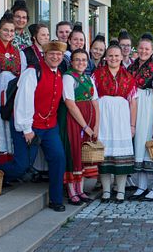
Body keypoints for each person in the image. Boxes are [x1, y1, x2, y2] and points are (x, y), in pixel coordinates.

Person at [12, 40, 68, 211]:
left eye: (59, 54)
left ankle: (56, 200)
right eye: (52, 54)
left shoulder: (59, 74)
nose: (55, 57)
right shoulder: (32, 72)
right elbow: (23, 101)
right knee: (21, 166)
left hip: (50, 126)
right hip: (31, 126)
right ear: (45, 54)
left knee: (58, 158)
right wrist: (27, 129)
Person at [93, 43, 137, 203]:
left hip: (121, 120)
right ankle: (106, 190)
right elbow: (93, 99)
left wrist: (132, 125)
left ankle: (121, 191)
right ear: (105, 57)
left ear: (121, 57)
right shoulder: (97, 75)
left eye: (117, 55)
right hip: (103, 118)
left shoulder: (128, 77)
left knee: (121, 156)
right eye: (110, 55)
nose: (113, 58)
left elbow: (133, 102)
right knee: (104, 154)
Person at [127, 33, 153, 201]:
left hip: (151, 109)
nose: (143, 51)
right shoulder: (132, 67)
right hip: (136, 108)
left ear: (152, 51)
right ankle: (142, 186)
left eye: (147, 49)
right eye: (141, 48)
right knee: (140, 147)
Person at [62, 49, 100, 205]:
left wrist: (96, 126)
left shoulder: (88, 78)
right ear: (71, 62)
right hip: (75, 121)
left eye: (84, 60)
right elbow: (70, 104)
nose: (81, 63)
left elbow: (95, 102)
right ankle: (72, 191)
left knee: (84, 154)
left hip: (89, 122)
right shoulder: (68, 77)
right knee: (74, 153)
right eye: (77, 60)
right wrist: (85, 127)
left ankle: (81, 189)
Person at [0, 14, 22, 165]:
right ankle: (1, 160)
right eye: (6, 30)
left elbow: (19, 69)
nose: (9, 33)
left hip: (12, 89)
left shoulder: (16, 50)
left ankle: (11, 161)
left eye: (12, 31)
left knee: (10, 121)